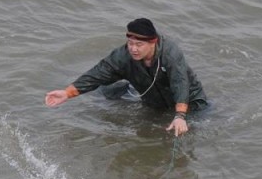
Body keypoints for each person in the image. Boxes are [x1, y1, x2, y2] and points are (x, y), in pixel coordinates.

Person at [45, 18, 208, 137]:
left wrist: (180, 116)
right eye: (130, 43)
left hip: (189, 101)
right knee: (148, 134)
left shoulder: (171, 54)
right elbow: (99, 73)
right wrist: (67, 93)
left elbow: (180, 83)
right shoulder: (123, 55)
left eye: (139, 45)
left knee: (190, 132)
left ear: (153, 43)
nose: (133, 49)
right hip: (154, 101)